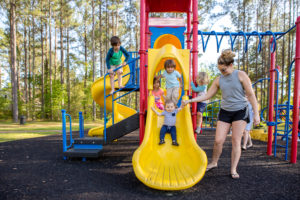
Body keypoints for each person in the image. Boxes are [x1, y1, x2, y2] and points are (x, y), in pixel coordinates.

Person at [182, 49, 260, 179]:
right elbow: (207, 95)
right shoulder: (219, 79)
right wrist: (190, 100)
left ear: (231, 65)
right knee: (218, 140)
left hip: (240, 111)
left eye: (223, 69)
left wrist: (256, 114)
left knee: (236, 140)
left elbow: (251, 95)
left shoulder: (241, 75)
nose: (222, 72)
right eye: (219, 70)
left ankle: (233, 169)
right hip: (225, 111)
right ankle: (214, 162)